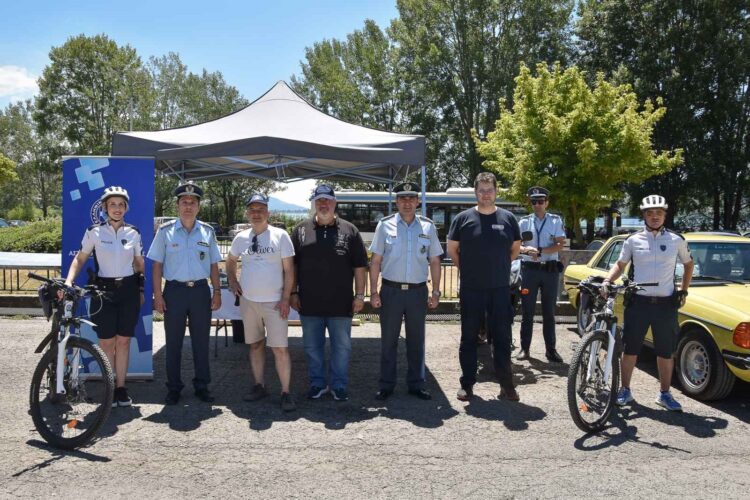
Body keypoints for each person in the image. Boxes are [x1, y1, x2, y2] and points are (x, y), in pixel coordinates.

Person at [602, 194, 694, 411]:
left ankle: (664, 394)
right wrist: (607, 280)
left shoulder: (676, 240)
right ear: (644, 215)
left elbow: (689, 264)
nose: (655, 217)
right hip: (638, 303)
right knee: (631, 349)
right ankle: (625, 390)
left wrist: (683, 290)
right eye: (650, 213)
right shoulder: (633, 240)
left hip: (665, 304)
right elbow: (620, 264)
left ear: (665, 215)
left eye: (659, 213)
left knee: (665, 351)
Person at [63, 186, 144, 407]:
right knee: (107, 343)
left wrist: (141, 289)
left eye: (121, 205)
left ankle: (121, 388)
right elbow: (80, 259)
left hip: (128, 290)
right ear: (105, 208)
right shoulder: (94, 232)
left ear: (126, 208)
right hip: (103, 291)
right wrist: (69, 280)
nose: (117, 209)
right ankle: (109, 387)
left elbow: (139, 264)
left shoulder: (134, 232)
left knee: (124, 341)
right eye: (112, 205)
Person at [447, 172, 521, 401]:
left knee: (502, 338)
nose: (486, 194)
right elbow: (452, 250)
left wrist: (498, 269)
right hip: (472, 289)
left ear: (496, 191)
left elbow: (515, 249)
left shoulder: (508, 219)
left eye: (490, 190)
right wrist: (469, 272)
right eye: (482, 190)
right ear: (475, 192)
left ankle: (507, 385)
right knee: (468, 337)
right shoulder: (462, 219)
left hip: (500, 289)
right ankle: (467, 384)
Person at [290, 184, 368, 402]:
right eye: (319, 200)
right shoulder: (300, 230)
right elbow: (293, 266)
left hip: (341, 303)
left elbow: (360, 266)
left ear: (335, 203)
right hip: (309, 303)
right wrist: (293, 292)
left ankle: (339, 385)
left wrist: (360, 296)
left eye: (327, 200)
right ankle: (317, 384)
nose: (323, 204)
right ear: (315, 204)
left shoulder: (350, 230)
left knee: (342, 348)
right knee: (312, 347)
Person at [147, 181, 222, 406]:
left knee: (201, 341)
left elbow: (213, 266)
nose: (188, 206)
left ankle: (202, 385)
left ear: (198, 206)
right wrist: (158, 295)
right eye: (184, 202)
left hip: (200, 291)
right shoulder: (165, 232)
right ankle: (174, 388)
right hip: (175, 292)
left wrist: (216, 292)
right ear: (178, 205)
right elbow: (157, 266)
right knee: (174, 343)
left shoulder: (207, 232)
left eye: (192, 202)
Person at [369, 182, 443, 401]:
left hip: (417, 292)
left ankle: (416, 384)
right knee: (388, 341)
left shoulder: (428, 227)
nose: (407, 203)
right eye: (403, 198)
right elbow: (375, 261)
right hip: (391, 291)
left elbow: (435, 261)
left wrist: (436, 292)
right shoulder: (384, 226)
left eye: (412, 198)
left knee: (416, 341)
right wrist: (373, 292)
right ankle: (386, 384)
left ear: (418, 201)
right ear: (396, 202)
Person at [226, 193, 297, 412]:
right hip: (249, 302)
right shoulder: (241, 237)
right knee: (255, 345)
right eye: (252, 210)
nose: (256, 214)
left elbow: (289, 270)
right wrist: (232, 280)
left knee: (279, 348)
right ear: (247, 213)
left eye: (260, 210)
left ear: (268, 212)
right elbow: (230, 261)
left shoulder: (280, 235)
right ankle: (259, 385)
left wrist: (286, 298)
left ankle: (285, 392)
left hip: (275, 303)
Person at [517, 186, 566, 362]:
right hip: (530, 270)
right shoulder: (523, 222)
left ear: (547, 203)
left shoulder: (555, 220)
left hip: (549, 270)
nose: (537, 204)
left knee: (549, 312)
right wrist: (526, 249)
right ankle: (524, 349)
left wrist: (540, 250)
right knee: (527, 312)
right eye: (534, 202)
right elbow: (516, 246)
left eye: (541, 201)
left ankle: (550, 350)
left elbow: (560, 244)